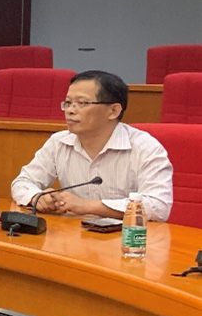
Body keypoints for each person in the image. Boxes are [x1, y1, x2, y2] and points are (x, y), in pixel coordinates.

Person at [10, 70, 172, 221]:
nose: (70, 110)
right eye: (68, 103)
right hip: (73, 234)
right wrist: (36, 197)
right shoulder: (59, 142)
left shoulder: (145, 148)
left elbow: (158, 206)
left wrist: (88, 206)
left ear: (113, 111)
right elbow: (22, 182)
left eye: (82, 103)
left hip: (125, 237)